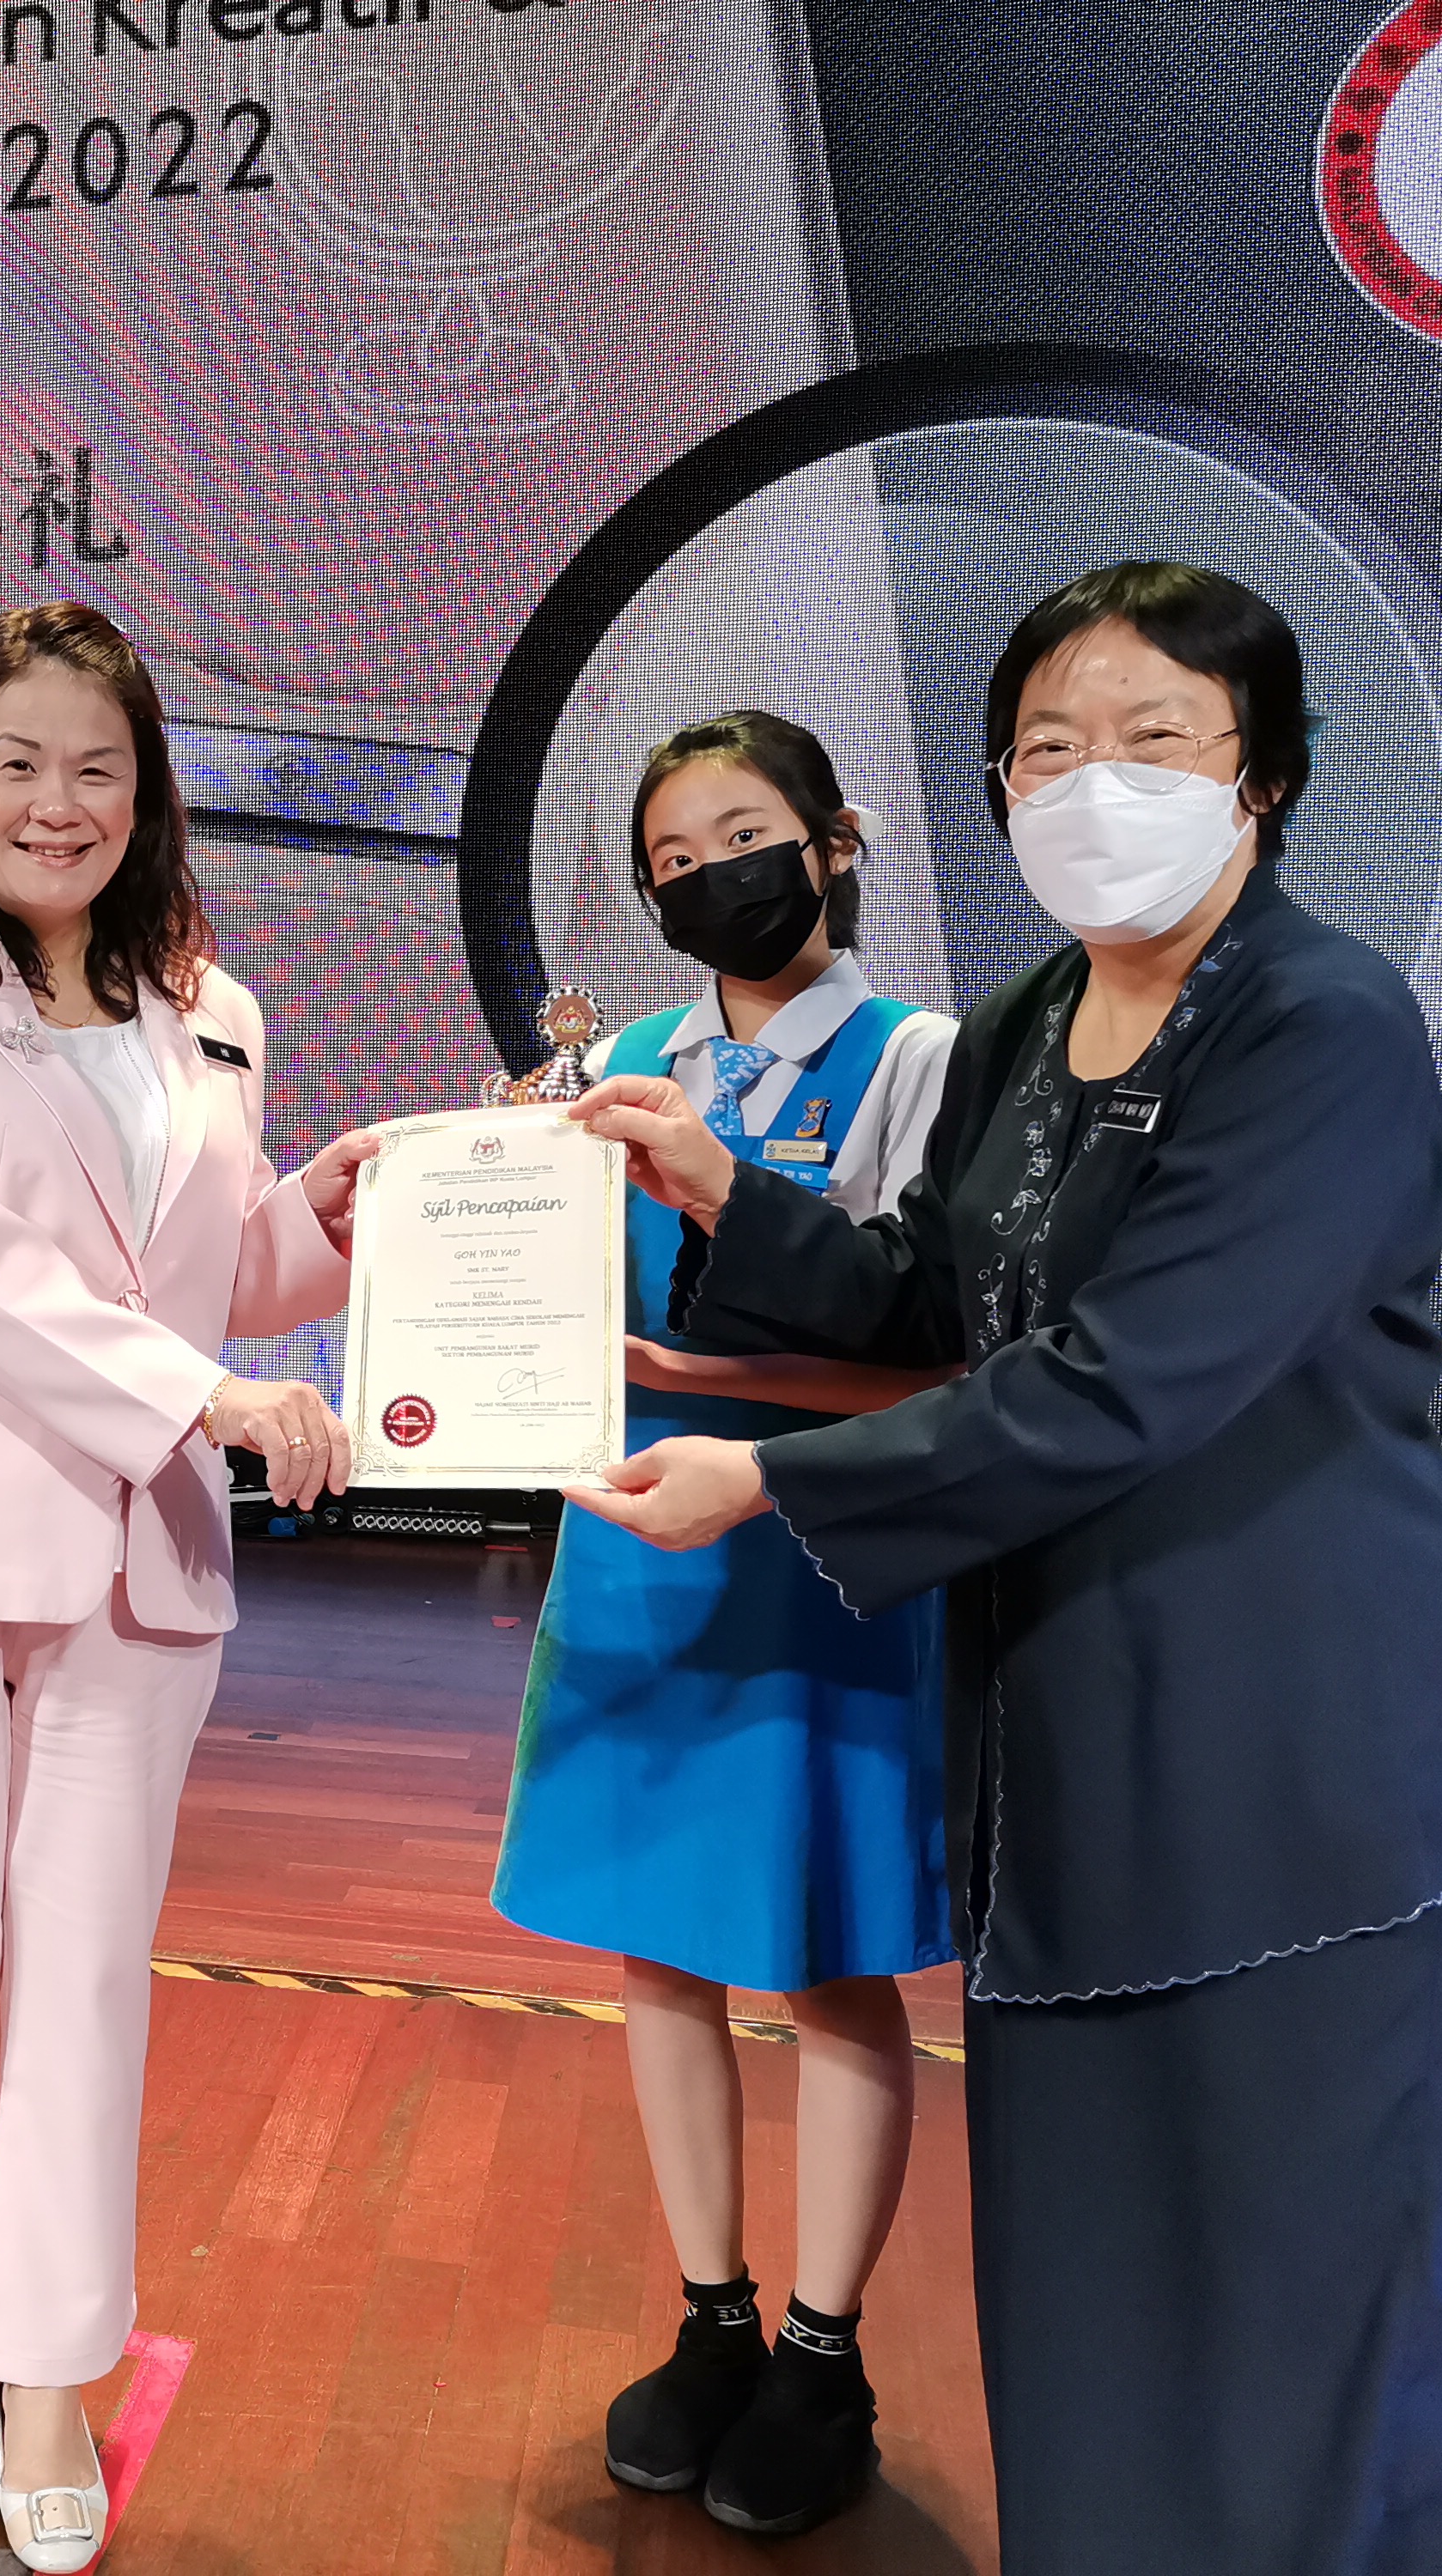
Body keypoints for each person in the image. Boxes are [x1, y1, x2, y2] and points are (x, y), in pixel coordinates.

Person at [571, 562, 1442, 2574]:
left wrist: (768, 1483)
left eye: (1150, 738)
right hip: (1071, 1714)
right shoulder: (1024, 1019)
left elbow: (1120, 1381)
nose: (1093, 783)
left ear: (1260, 772)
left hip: (1296, 1738)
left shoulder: (1319, 1023)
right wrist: (720, 1186)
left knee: (1297, 2267)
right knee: (1095, 2269)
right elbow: (933, 1291)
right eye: (1045, 747)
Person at [0, 602, 379, 2570]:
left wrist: (331, 1218)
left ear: (146, 793)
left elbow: (208, 1270)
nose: (57, 802)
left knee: (88, 1979)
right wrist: (204, 1396)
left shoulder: (211, 1003)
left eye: (97, 768)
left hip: (134, 1568)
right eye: (16, 762)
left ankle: (43, 2373)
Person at [492, 712, 957, 2537]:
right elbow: (543, 1294)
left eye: (743, 838)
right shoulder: (616, 1063)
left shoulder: (919, 1056)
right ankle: (711, 2316)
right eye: (672, 862)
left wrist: (707, 1376)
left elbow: (933, 1348)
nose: (710, 879)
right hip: (635, 1551)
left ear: (834, 842)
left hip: (818, 1545)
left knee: (829, 1959)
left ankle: (823, 2355)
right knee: (658, 1950)